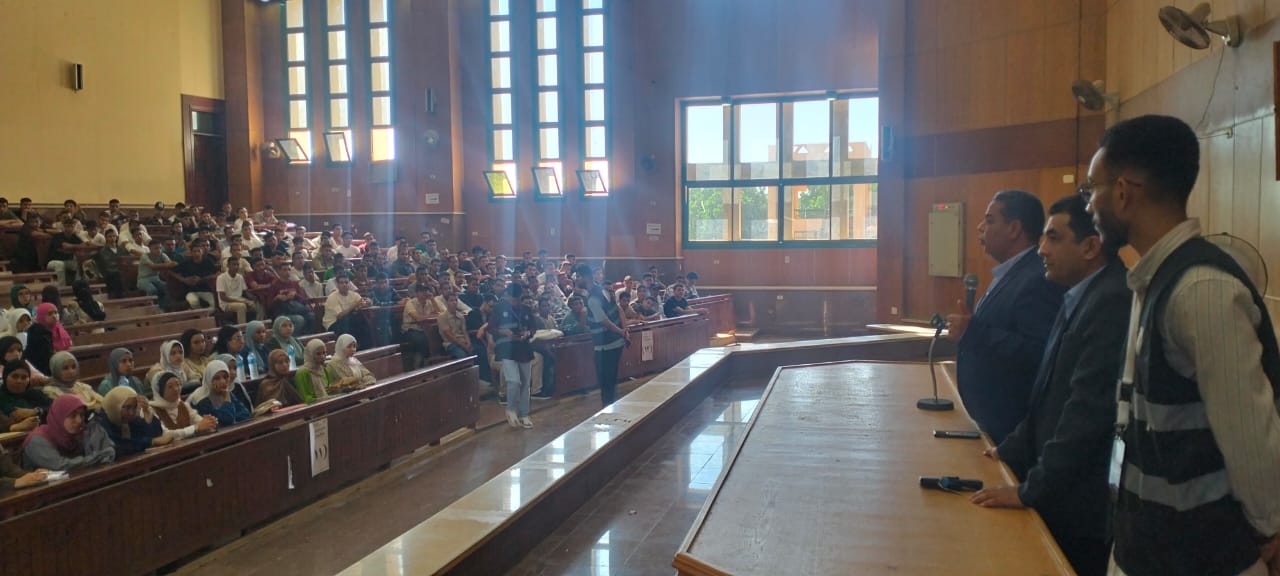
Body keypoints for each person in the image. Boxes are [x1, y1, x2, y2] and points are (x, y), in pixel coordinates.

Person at [1085, 115, 1280, 575]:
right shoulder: (1153, 278)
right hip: (1147, 547)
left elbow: (1250, 435)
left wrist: (1270, 528)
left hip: (1204, 559)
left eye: (1092, 188)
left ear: (1123, 192)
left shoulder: (1200, 289)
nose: (1089, 203)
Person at [969, 195, 1128, 576]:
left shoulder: (1111, 301)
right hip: (1057, 487)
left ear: (1090, 247)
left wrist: (1030, 490)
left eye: (1053, 238)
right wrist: (1008, 448)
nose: (1041, 249)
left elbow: (1085, 415)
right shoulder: (1078, 294)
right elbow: (1048, 394)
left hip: (1080, 505)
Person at [948, 189, 1065, 445]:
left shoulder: (1037, 279)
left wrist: (973, 332)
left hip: (1012, 429)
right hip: (992, 424)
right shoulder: (1011, 274)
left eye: (990, 221)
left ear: (1014, 229)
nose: (980, 227)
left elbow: (1039, 352)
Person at [21, 395, 115, 471]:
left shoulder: (80, 432)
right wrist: (97, 457)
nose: (79, 420)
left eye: (82, 415)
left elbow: (108, 451)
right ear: (59, 416)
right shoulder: (37, 440)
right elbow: (60, 466)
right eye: (73, 416)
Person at [494, 285, 538, 428]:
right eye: (512, 299)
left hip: (524, 347)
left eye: (518, 300)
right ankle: (510, 409)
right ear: (507, 296)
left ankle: (524, 414)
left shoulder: (526, 309)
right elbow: (491, 327)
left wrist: (528, 333)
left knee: (525, 383)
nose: (515, 302)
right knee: (513, 381)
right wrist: (504, 331)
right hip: (507, 348)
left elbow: (533, 327)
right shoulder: (499, 308)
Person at [584, 267, 629, 407]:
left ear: (585, 277)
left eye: (578, 277)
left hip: (605, 344)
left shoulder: (593, 298)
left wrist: (622, 331)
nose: (576, 280)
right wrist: (624, 330)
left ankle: (608, 408)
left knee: (605, 380)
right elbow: (619, 310)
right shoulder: (604, 291)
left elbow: (604, 321)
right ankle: (612, 406)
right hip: (616, 341)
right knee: (611, 378)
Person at [99, 386, 172, 457]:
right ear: (115, 405)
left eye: (134, 407)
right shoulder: (100, 422)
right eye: (128, 408)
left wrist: (148, 418)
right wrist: (151, 442)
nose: (131, 413)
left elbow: (155, 436)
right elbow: (117, 447)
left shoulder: (127, 419)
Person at [149, 371, 218, 438]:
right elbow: (165, 434)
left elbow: (198, 421)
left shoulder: (183, 405)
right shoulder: (152, 410)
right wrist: (195, 428)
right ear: (160, 391)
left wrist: (209, 423)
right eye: (170, 387)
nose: (176, 389)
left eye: (178, 384)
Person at [192, 361, 251, 426]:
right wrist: (227, 399)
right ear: (209, 379)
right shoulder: (201, 400)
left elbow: (246, 414)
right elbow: (226, 421)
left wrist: (233, 418)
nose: (223, 381)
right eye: (217, 378)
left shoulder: (227, 393)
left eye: (225, 377)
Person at [0, 360, 48, 432]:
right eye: (14, 376)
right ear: (5, 377)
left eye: (24, 377)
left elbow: (55, 407)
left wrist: (36, 411)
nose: (19, 381)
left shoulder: (33, 393)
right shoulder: (2, 397)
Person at [25, 303, 72, 375]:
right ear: (41, 316)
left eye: (56, 312)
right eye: (50, 314)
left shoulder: (60, 329)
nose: (54, 316)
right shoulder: (37, 333)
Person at [402, 284, 440, 370]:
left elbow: (440, 313)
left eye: (426, 291)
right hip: (410, 330)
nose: (425, 293)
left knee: (438, 334)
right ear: (417, 293)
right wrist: (430, 316)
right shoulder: (410, 303)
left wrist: (432, 299)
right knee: (422, 340)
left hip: (425, 329)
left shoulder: (429, 302)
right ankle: (420, 366)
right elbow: (418, 318)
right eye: (422, 291)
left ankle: (434, 361)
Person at [323, 275, 371, 343]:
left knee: (363, 318)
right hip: (333, 323)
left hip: (348, 321)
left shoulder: (354, 294)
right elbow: (340, 316)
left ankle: (367, 346)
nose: (344, 285)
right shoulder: (332, 297)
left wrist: (368, 302)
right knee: (348, 321)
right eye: (341, 283)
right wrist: (354, 305)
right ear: (337, 285)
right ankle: (353, 345)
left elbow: (362, 302)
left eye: (346, 282)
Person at [174, 241, 220, 309]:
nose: (196, 253)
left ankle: (204, 315)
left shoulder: (208, 261)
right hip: (190, 290)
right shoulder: (186, 263)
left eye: (199, 251)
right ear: (191, 253)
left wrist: (202, 279)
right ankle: (199, 314)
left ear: (202, 252)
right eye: (194, 251)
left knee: (213, 304)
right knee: (193, 302)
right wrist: (184, 280)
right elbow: (172, 272)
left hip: (206, 290)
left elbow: (218, 273)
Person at [216, 257, 258, 324]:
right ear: (228, 266)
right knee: (242, 306)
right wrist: (240, 301)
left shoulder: (240, 277)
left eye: (237, 265)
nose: (236, 267)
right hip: (226, 303)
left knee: (255, 305)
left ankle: (255, 325)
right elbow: (223, 297)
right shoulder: (221, 278)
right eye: (234, 264)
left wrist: (253, 298)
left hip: (240, 299)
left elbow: (245, 292)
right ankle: (242, 327)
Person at [46, 218, 83, 284]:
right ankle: (62, 287)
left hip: (67, 261)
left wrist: (72, 246)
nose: (70, 228)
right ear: (64, 227)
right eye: (67, 226)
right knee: (60, 264)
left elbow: (83, 245)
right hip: (53, 261)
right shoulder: (57, 236)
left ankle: (77, 285)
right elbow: (65, 246)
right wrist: (75, 246)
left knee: (77, 264)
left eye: (72, 226)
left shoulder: (75, 237)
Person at [95, 227, 126, 297]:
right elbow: (107, 264)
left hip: (122, 270)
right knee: (116, 274)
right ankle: (116, 294)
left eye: (114, 236)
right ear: (106, 238)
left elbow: (127, 259)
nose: (112, 238)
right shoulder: (103, 251)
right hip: (109, 272)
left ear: (116, 237)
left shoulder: (122, 249)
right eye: (110, 236)